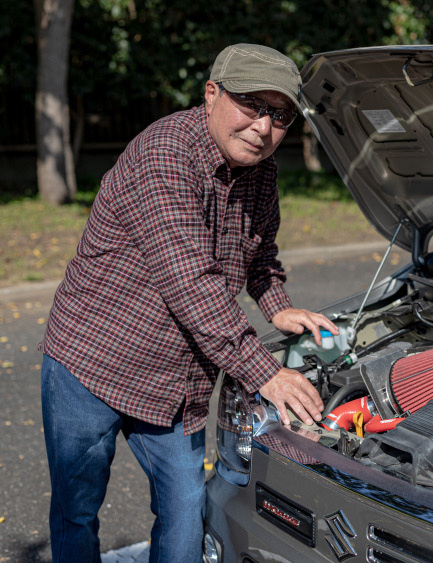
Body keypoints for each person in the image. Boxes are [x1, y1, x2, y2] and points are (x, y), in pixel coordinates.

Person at [39, 43, 335, 561]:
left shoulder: (263, 172)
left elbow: (260, 253)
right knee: (76, 511)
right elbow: (191, 282)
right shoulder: (165, 154)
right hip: (90, 363)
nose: (263, 128)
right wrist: (266, 372)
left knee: (185, 509)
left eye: (280, 115)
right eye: (251, 104)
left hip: (175, 385)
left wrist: (277, 304)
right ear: (211, 94)